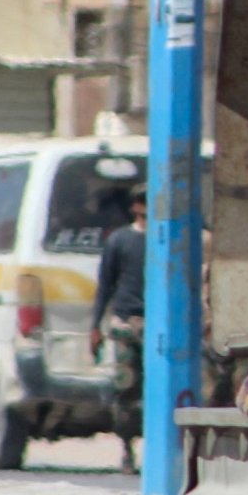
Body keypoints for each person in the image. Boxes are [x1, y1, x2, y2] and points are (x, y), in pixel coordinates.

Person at [90, 188, 147, 473]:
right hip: (126, 323)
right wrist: (95, 327)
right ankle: (127, 450)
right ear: (136, 207)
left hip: (159, 327)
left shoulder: (170, 240)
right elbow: (105, 286)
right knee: (126, 390)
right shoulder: (120, 241)